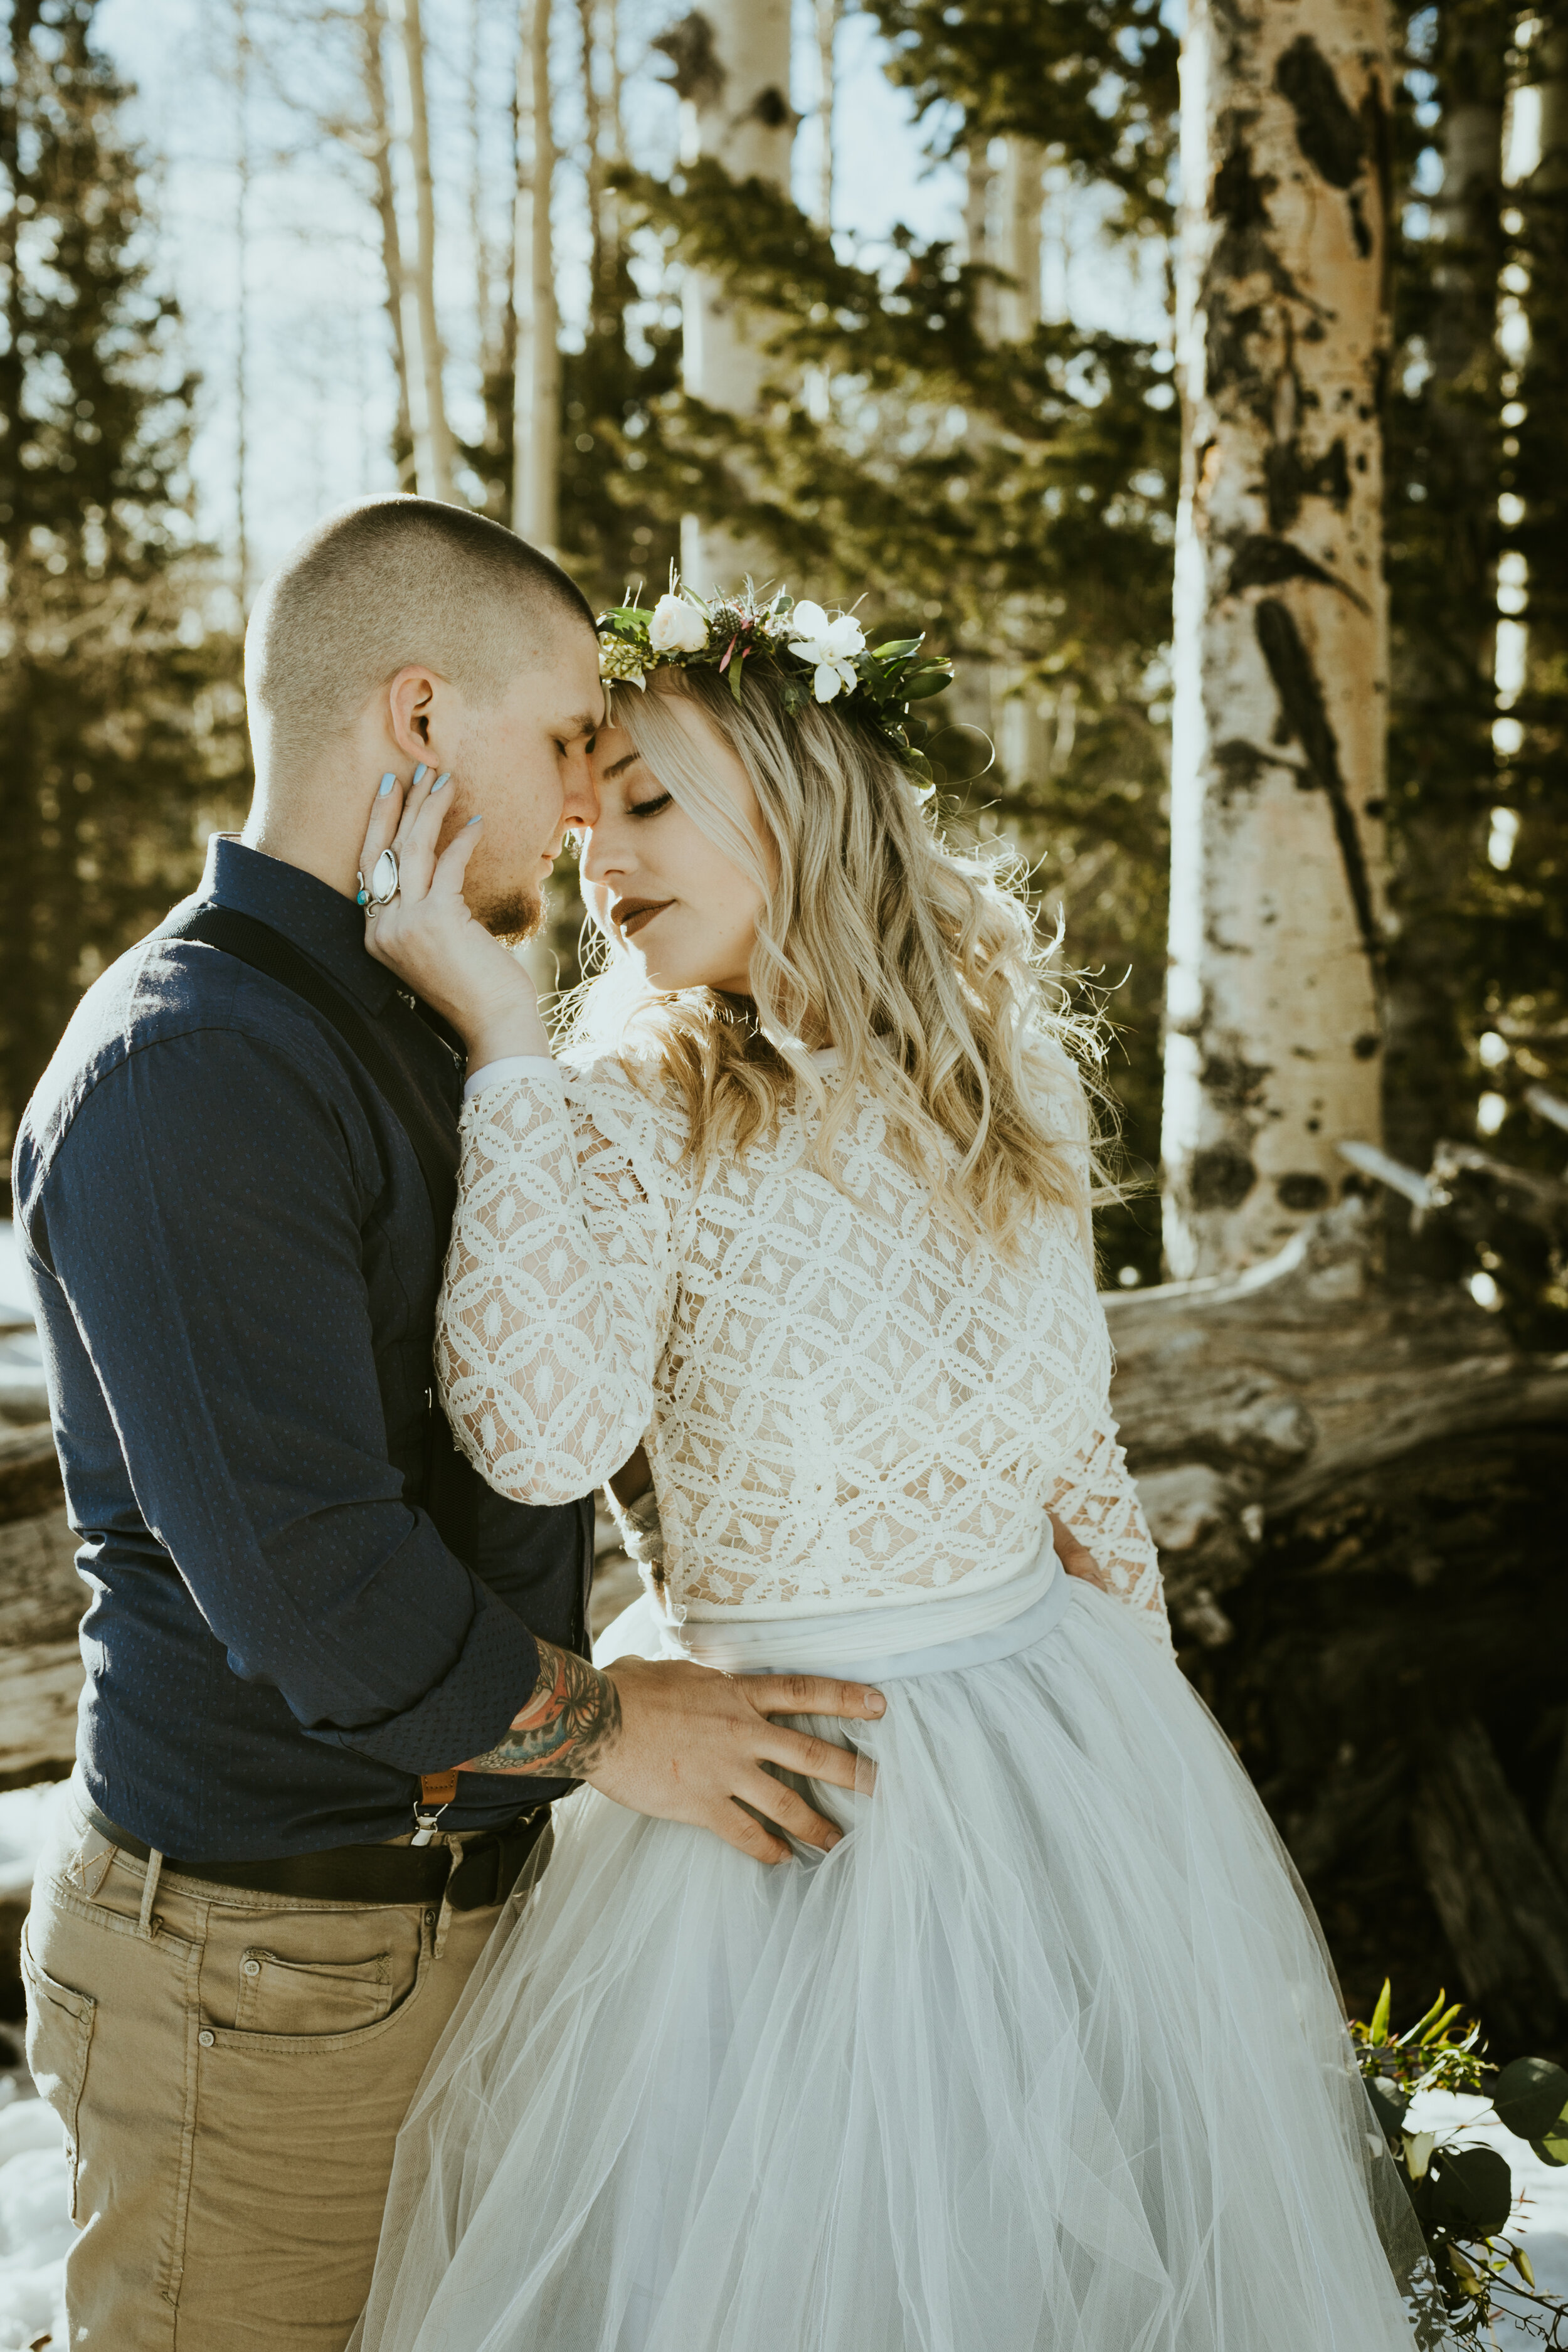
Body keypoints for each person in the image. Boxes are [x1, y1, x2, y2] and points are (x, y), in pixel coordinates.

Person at [349, 580, 1426, 2351]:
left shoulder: (1006, 1079)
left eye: (645, 798)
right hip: (785, 1803)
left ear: (799, 796)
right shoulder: (622, 1109)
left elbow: (1077, 1454)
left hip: (1049, 1746)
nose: (596, 855)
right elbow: (537, 1442)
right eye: (589, 802)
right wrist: (507, 1047)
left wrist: (1143, 1824)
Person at [13, 507, 882, 2352]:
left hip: (470, 1925)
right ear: (418, 717)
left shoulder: (425, 1021)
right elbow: (314, 1588)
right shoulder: (195, 1069)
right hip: (265, 1971)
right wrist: (620, 1728)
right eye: (568, 739)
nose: (588, 805)